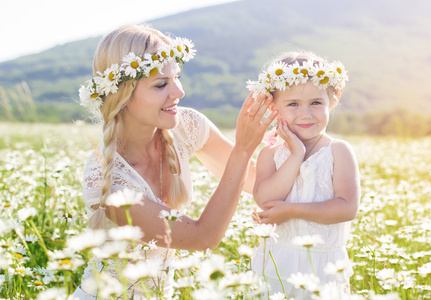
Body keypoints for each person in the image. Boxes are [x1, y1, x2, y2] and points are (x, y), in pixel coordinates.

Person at [73, 24, 276, 299]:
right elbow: (203, 237)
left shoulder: (186, 126)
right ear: (122, 94)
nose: (178, 92)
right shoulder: (107, 179)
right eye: (161, 84)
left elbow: (256, 181)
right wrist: (242, 149)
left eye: (177, 77)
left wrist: (306, 144)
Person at [247, 51, 360, 299]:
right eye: (293, 104)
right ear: (273, 106)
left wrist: (292, 210)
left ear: (333, 99)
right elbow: (265, 200)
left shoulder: (338, 151)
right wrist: (295, 154)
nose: (305, 114)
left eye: (316, 103)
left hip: (324, 266)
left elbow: (346, 208)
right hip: (276, 263)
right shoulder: (271, 154)